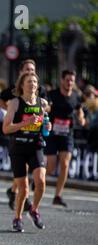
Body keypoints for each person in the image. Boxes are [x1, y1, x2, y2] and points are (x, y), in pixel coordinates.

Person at [3, 72, 51, 232]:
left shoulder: (42, 103)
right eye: (28, 81)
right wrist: (24, 123)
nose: (32, 84)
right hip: (18, 147)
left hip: (35, 145)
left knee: (41, 181)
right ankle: (17, 217)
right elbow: (6, 128)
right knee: (23, 188)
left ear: (37, 86)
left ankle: (34, 210)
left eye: (34, 82)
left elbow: (44, 125)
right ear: (22, 85)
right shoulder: (15, 103)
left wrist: (47, 128)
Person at [45, 70, 86, 207]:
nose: (69, 83)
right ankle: (39, 180)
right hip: (52, 134)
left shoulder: (76, 96)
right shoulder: (53, 95)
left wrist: (81, 118)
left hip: (67, 134)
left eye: (72, 80)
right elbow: (47, 108)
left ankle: (58, 195)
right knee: (51, 167)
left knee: (65, 164)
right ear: (62, 80)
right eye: (67, 80)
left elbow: (80, 112)